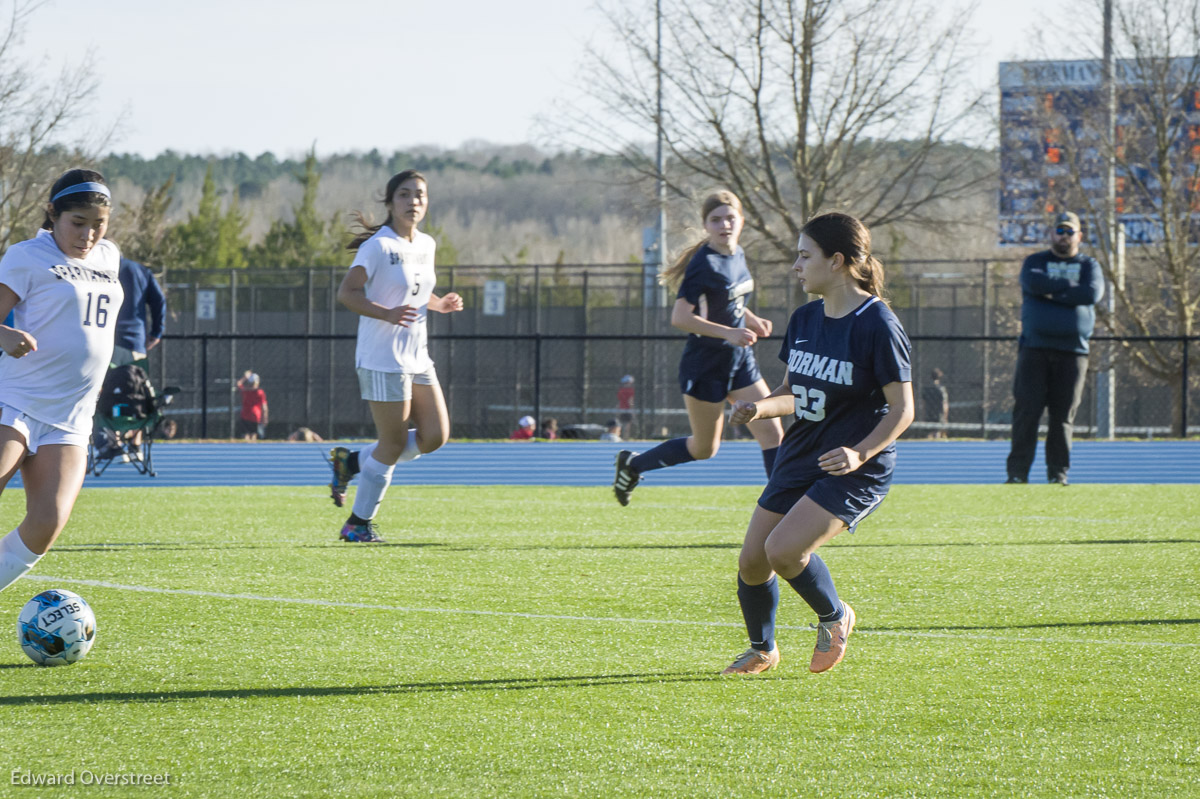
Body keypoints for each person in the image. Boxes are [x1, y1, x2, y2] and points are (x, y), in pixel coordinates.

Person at [719, 212, 913, 676]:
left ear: (839, 261)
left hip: (854, 465)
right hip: (802, 452)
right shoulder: (805, 317)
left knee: (783, 550)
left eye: (805, 255)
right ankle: (762, 650)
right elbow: (790, 394)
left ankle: (835, 617)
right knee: (751, 562)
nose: (796, 265)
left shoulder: (877, 324)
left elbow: (903, 409)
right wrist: (758, 410)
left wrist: (859, 452)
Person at [612, 191, 784, 505]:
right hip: (706, 365)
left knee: (773, 434)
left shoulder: (738, 253)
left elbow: (727, 301)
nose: (724, 224)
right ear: (705, 225)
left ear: (741, 220)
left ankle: (781, 511)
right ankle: (633, 465)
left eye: (730, 217)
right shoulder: (702, 264)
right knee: (705, 448)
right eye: (715, 219)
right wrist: (729, 333)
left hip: (740, 361)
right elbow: (680, 317)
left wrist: (752, 319)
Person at [0, 169, 123, 594]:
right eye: (78, 222)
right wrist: (5, 333)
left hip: (72, 418)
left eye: (98, 223)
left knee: (46, 524)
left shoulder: (110, 256)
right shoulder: (25, 255)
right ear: (52, 213)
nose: (88, 234)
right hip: (15, 401)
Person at [327, 170, 464, 542]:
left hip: (417, 355)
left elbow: (414, 292)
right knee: (391, 442)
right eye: (404, 195)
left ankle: (350, 462)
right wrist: (385, 313)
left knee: (436, 435)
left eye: (419, 195)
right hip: (382, 357)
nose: (413, 201)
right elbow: (348, 293)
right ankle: (358, 524)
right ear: (390, 203)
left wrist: (440, 304)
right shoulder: (379, 246)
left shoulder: (426, 244)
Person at [1006, 211, 1104, 486]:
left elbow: (1091, 294)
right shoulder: (1035, 262)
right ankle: (1017, 474)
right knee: (1027, 412)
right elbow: (1033, 283)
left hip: (1074, 352)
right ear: (1052, 234)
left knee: (1063, 417)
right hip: (1034, 350)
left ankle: (1057, 474)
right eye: (1059, 231)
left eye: (1069, 231)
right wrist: (1069, 290)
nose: (1064, 236)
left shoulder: (1089, 265)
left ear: (1079, 236)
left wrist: (1050, 292)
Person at [111, 257, 165, 367]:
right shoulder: (141, 270)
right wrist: (156, 333)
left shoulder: (99, 268)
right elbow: (159, 300)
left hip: (107, 345)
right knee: (135, 382)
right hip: (136, 344)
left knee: (105, 383)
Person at [235, 371, 268, 441]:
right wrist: (265, 418)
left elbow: (238, 384)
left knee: (245, 435)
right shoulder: (260, 392)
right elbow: (264, 407)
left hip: (245, 415)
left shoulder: (245, 391)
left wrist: (244, 377)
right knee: (253, 435)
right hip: (255, 416)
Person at [922, 368, 950, 439]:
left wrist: (923, 413)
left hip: (929, 412)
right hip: (938, 414)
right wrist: (945, 415)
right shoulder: (941, 389)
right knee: (937, 432)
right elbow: (944, 403)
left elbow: (923, 403)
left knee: (930, 432)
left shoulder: (926, 389)